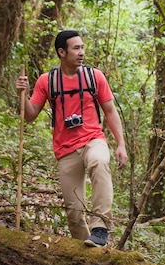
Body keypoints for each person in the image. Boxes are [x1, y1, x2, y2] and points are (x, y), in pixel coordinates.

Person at [16, 30, 127, 247]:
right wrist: (23, 94)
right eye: (76, 48)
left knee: (99, 161)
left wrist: (121, 144)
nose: (81, 52)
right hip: (65, 150)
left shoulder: (94, 77)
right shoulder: (47, 81)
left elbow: (110, 111)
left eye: (82, 47)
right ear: (61, 52)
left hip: (93, 139)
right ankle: (88, 255)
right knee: (74, 214)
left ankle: (100, 228)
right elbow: (30, 115)